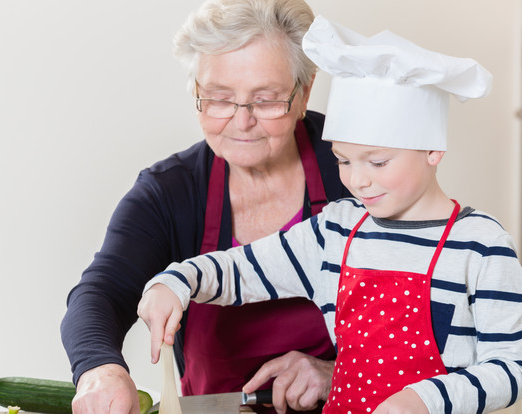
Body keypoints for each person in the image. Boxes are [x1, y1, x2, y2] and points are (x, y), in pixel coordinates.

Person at [138, 16, 522, 414]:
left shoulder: (481, 246)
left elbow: (510, 368)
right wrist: (177, 282)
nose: (358, 181)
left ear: (433, 150)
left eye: (377, 162)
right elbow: (242, 271)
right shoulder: (336, 231)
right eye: (344, 160)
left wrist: (424, 400)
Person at [60, 1, 354, 412]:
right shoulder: (169, 192)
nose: (241, 121)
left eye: (266, 100)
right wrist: (101, 369)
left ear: (303, 93)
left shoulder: (359, 169)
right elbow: (101, 292)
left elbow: (426, 316)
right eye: (218, 98)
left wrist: (335, 372)